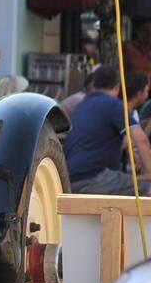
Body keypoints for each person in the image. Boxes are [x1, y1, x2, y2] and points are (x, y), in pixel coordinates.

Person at [63, 66, 151, 195]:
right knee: (147, 188)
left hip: (69, 179)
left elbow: (101, 141)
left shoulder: (81, 105)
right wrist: (149, 173)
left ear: (93, 84)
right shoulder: (114, 105)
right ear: (117, 87)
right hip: (95, 177)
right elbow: (142, 140)